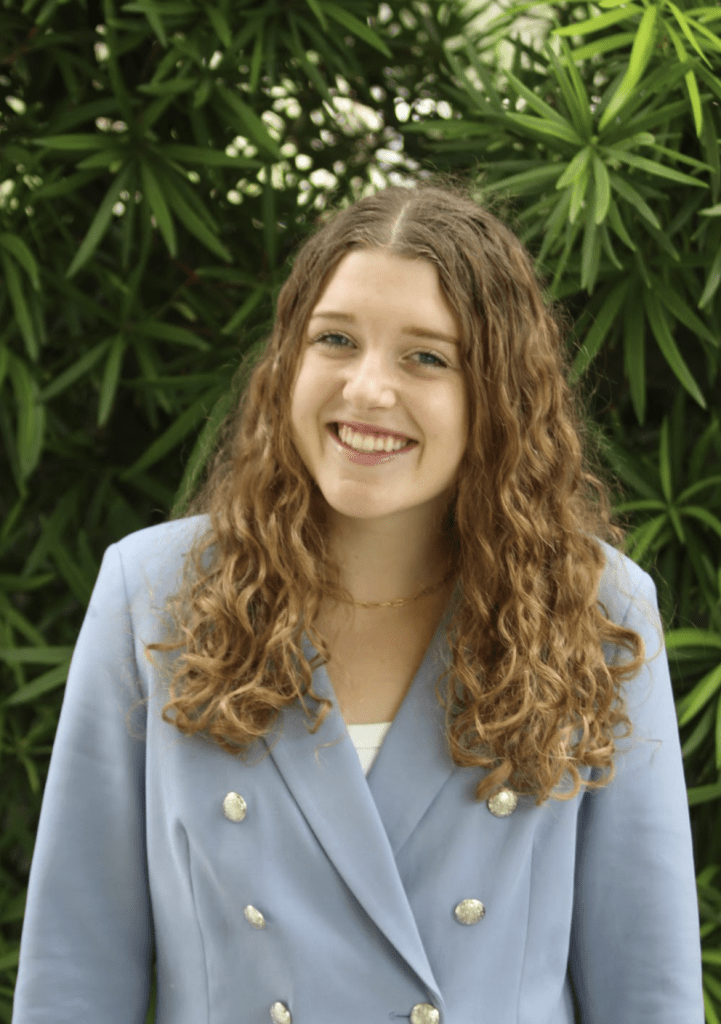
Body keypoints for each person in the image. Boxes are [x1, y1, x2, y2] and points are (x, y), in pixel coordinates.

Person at [12, 183, 703, 1024]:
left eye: (426, 357)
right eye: (335, 340)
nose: (367, 389)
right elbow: (74, 977)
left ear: (498, 396)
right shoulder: (154, 594)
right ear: (286, 363)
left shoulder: (595, 608)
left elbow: (647, 993)